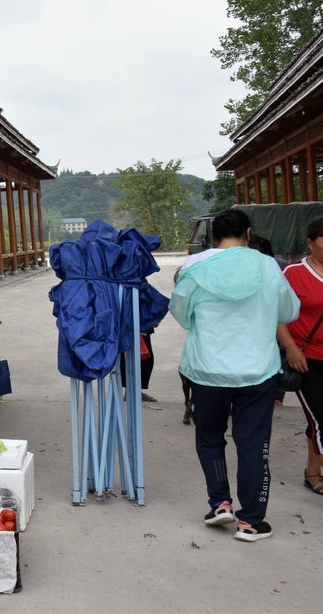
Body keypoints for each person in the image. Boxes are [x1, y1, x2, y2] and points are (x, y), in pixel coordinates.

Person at [171, 208, 299, 542]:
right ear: (249, 233)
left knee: (210, 436)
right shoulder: (267, 266)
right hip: (256, 370)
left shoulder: (195, 267)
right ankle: (251, 522)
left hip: (208, 367)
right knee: (253, 443)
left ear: (212, 236)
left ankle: (220, 503)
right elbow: (288, 311)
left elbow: (182, 315)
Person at [277, 216, 323, 496]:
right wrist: (291, 347)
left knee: (315, 422)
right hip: (307, 360)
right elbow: (278, 314)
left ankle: (312, 472)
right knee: (321, 419)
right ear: (309, 242)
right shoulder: (293, 273)